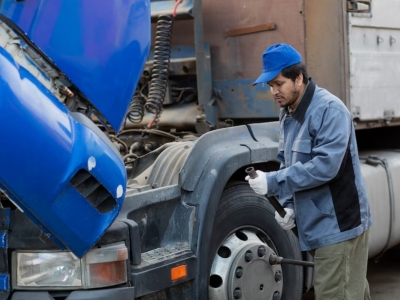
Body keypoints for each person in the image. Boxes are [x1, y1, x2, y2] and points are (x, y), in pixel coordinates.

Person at [245, 43, 372, 300]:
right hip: (318, 227)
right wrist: (289, 204)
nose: (273, 92)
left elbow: (325, 166)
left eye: (278, 83)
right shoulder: (288, 113)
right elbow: (287, 162)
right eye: (270, 86)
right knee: (351, 292)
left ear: (299, 78)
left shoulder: (329, 110)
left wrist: (273, 181)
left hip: (338, 227)